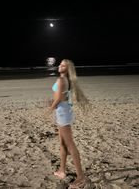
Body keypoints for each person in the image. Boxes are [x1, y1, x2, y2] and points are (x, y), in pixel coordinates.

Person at [49, 59, 90, 188]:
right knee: (62, 143)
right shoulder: (66, 80)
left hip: (62, 113)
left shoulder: (62, 80)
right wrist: (52, 104)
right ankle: (62, 170)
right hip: (63, 111)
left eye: (63, 65)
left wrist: (49, 109)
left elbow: (58, 99)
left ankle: (81, 176)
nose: (60, 66)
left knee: (70, 145)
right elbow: (62, 97)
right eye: (60, 64)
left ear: (67, 69)